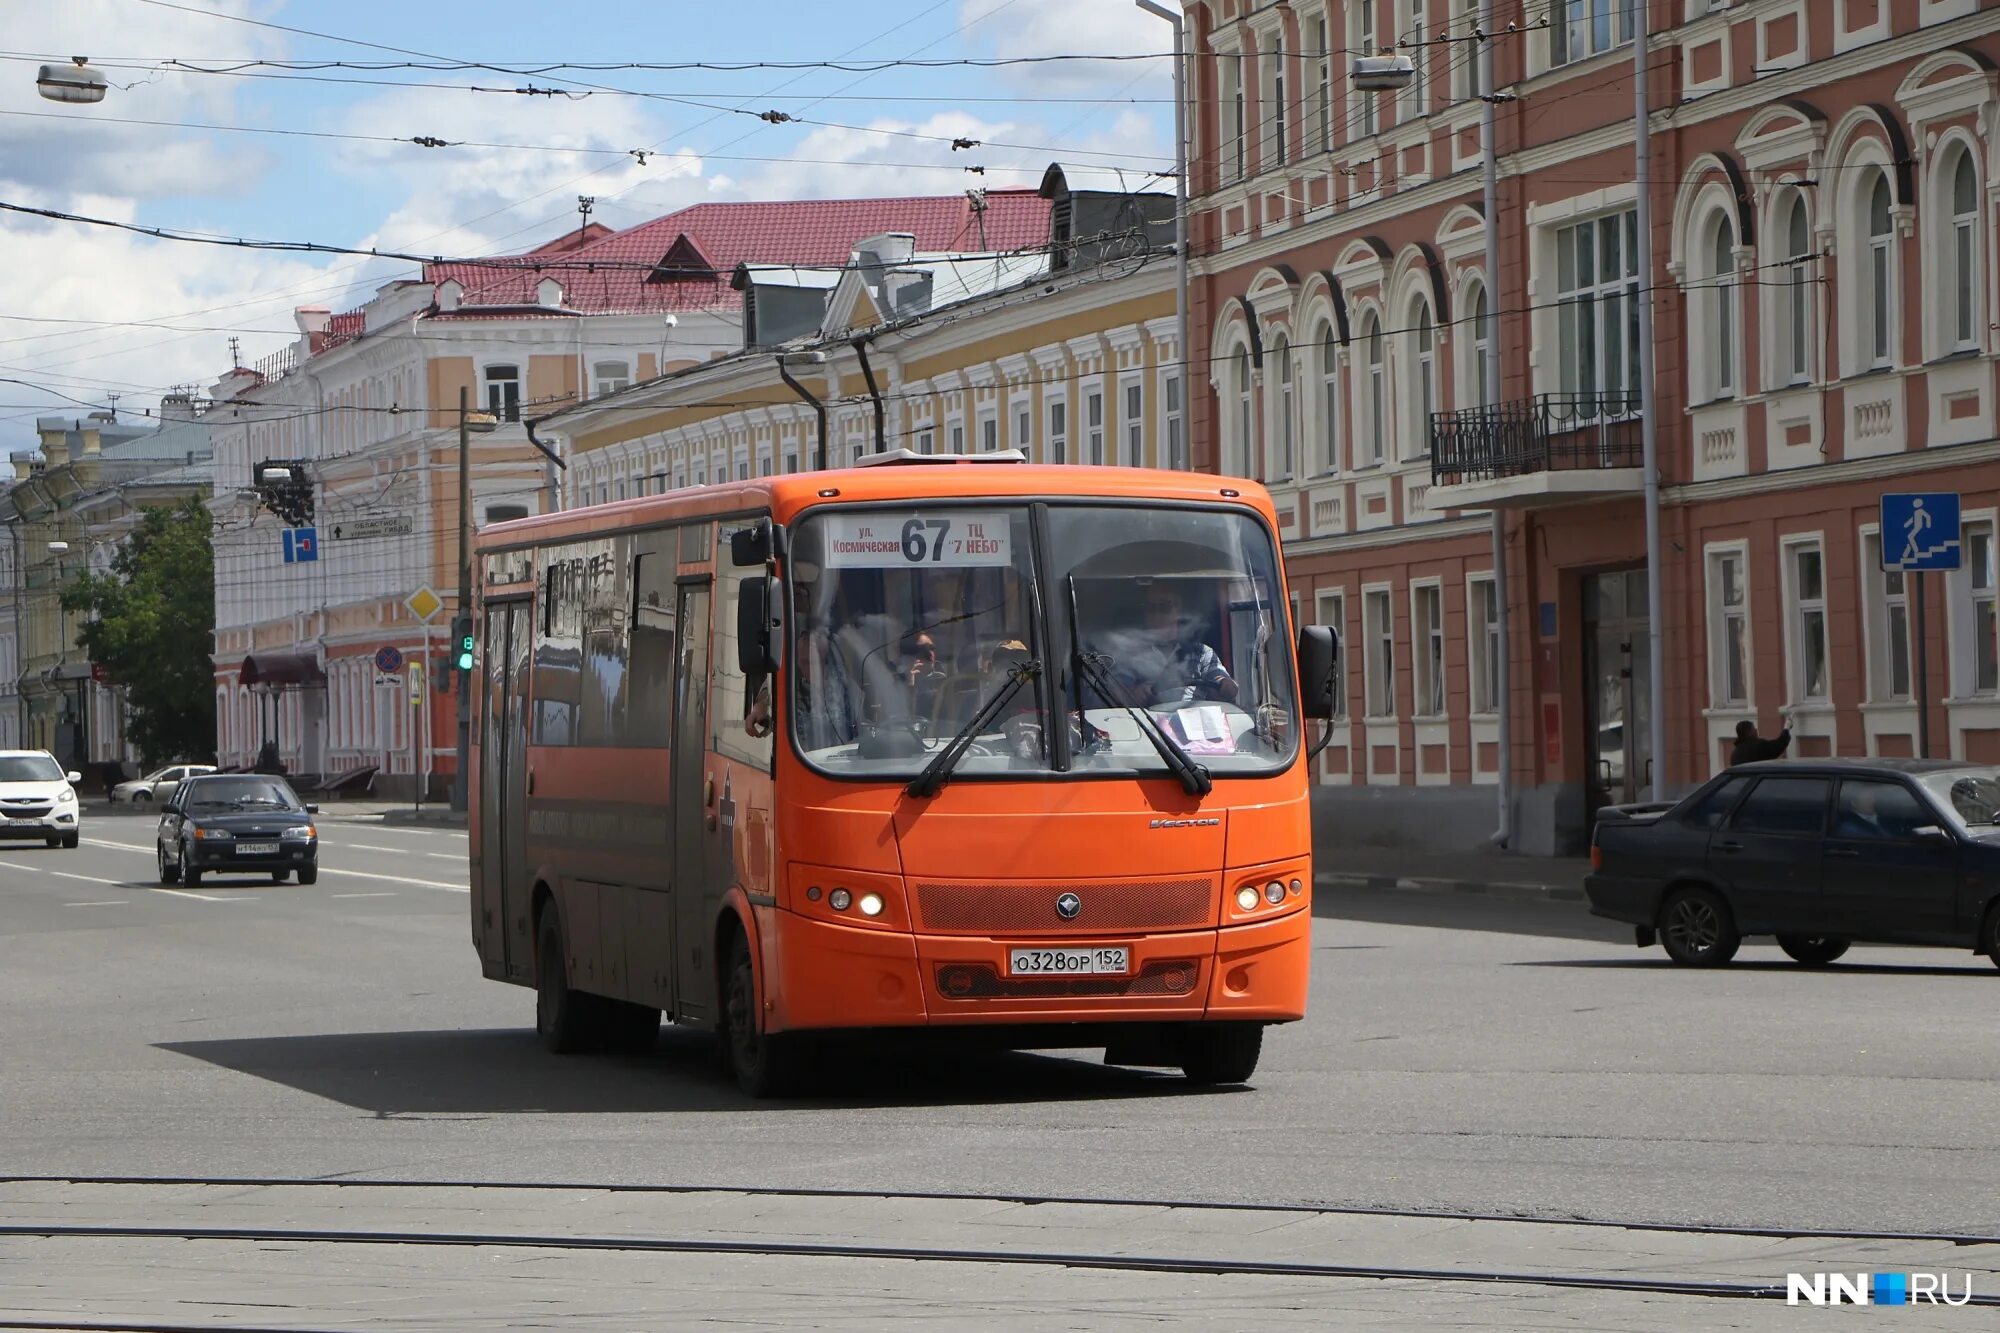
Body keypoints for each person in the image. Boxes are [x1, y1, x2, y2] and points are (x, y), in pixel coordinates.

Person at [1125, 581, 1239, 706]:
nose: (1157, 615)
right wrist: (1133, 693)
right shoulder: (1131, 656)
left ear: (1178, 610)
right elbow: (1115, 693)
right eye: (1151, 608)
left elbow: (1219, 678)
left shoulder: (1201, 653)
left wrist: (1227, 685)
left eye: (1164, 607)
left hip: (1197, 721)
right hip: (1147, 723)